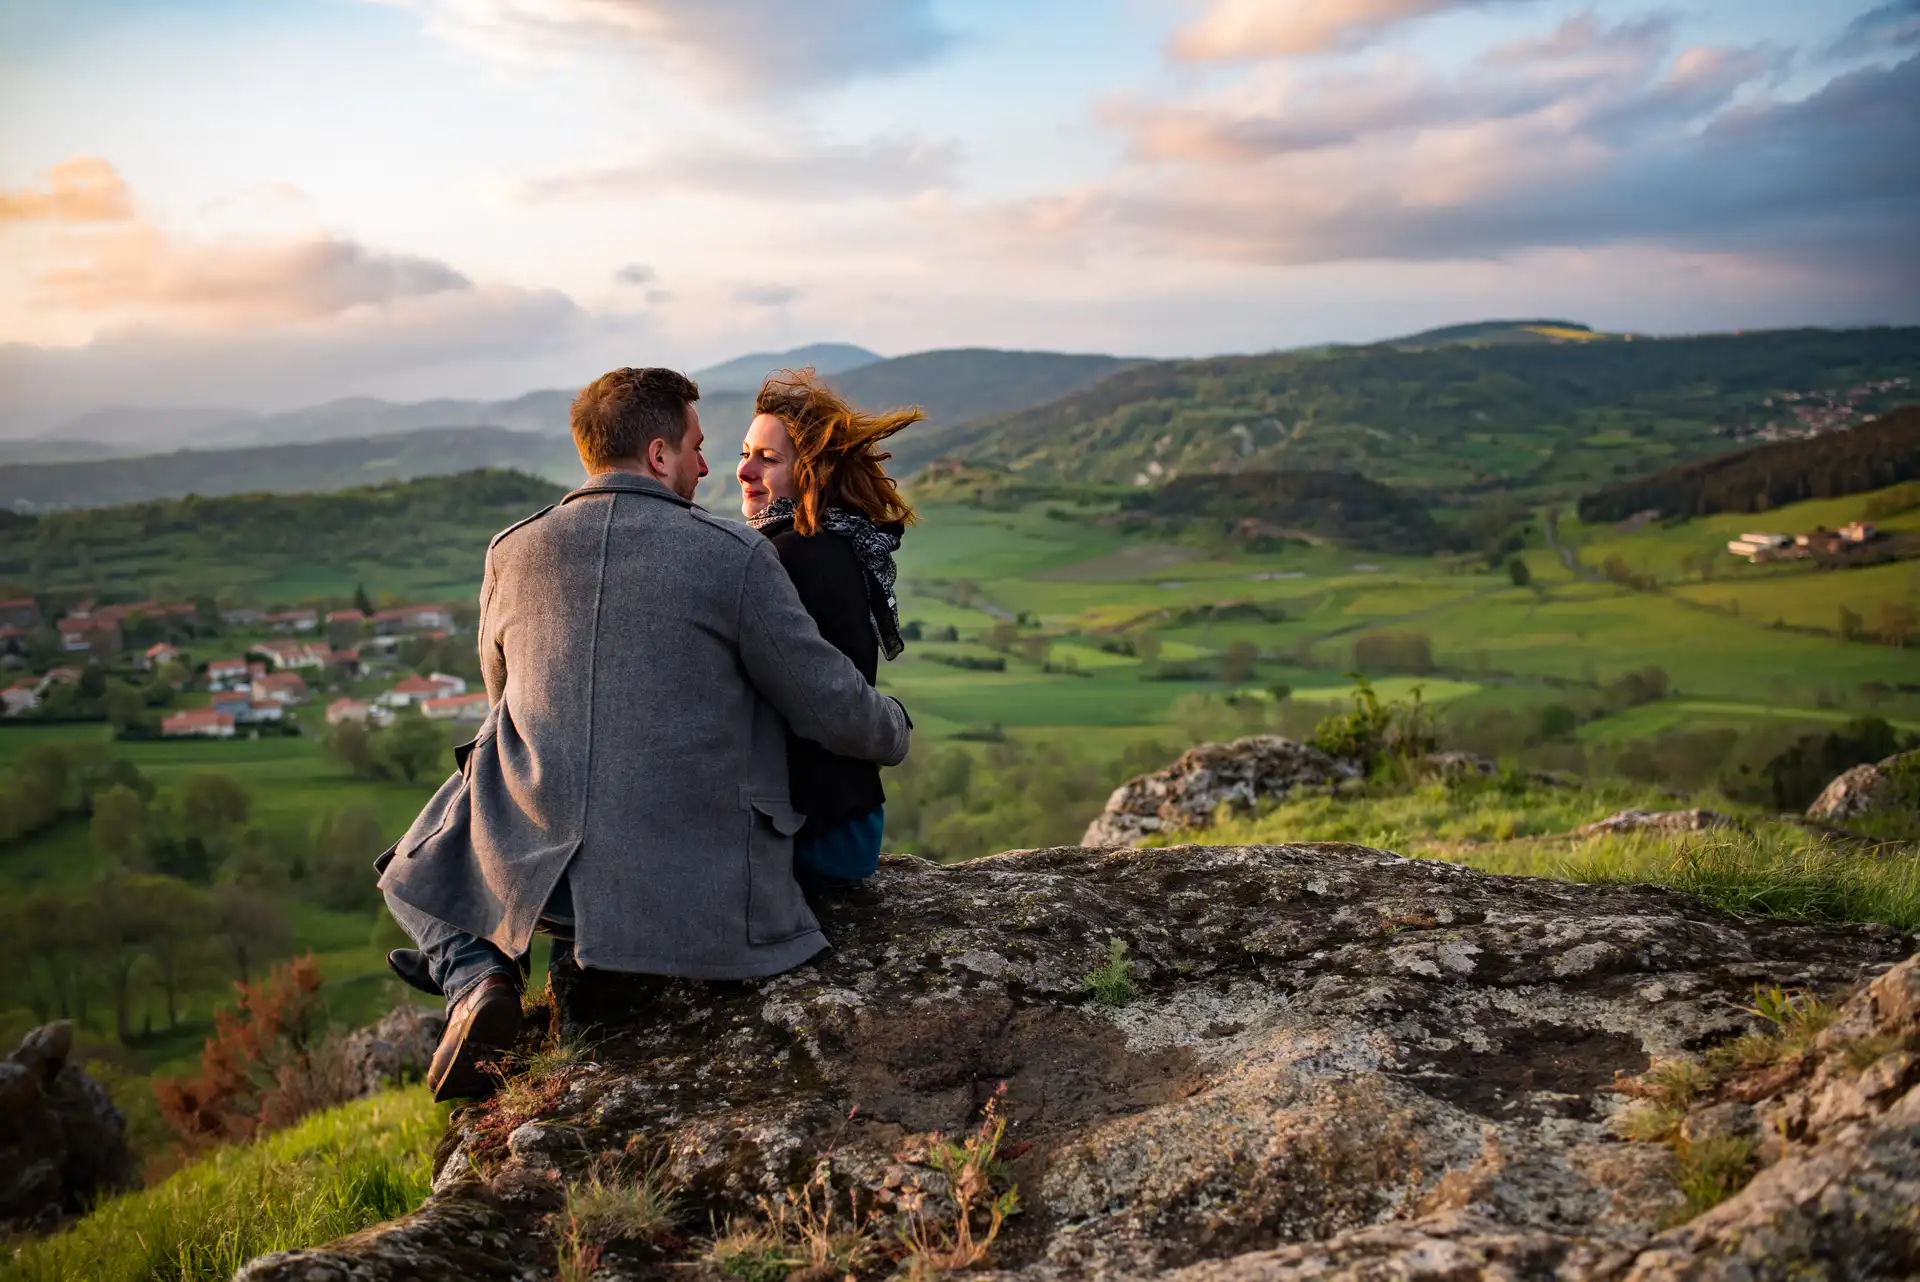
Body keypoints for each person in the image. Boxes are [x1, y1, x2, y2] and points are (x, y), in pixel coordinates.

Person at [377, 366, 912, 1101]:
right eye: (695, 446)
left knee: (417, 861)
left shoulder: (511, 550)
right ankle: (474, 972)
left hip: (553, 891)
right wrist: (896, 730)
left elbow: (507, 709)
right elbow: (831, 705)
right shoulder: (736, 554)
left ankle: (472, 970)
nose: (707, 465)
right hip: (698, 892)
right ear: (658, 456)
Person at [736, 369, 922, 895]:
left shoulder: (791, 554)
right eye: (746, 452)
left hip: (814, 830)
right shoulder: (832, 541)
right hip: (846, 818)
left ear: (811, 471)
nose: (746, 470)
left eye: (768, 459)